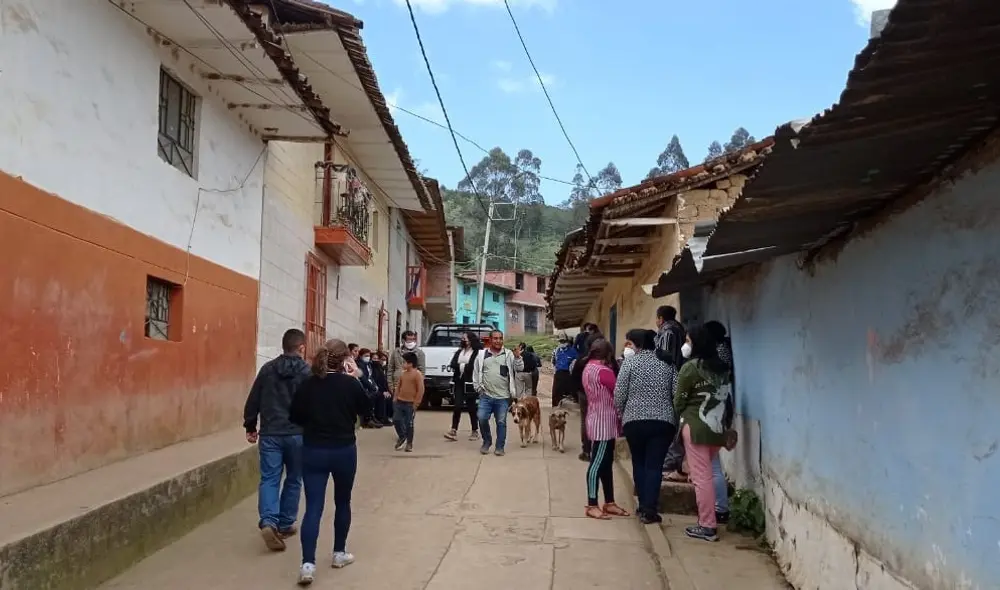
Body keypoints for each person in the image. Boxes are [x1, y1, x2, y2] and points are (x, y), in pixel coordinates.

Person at [290, 339, 371, 584]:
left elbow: (295, 416)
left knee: (313, 506)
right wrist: (358, 376)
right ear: (345, 359)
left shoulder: (308, 384)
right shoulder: (350, 384)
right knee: (342, 501)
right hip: (343, 450)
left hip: (314, 449)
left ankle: (307, 564)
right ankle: (338, 553)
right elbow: (367, 410)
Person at [243, 328, 311, 552]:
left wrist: (250, 426)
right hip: (298, 434)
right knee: (294, 478)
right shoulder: (307, 372)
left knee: (270, 478)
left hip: (271, 433)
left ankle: (268, 521)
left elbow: (254, 399)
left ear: (283, 346)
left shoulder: (268, 369)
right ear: (301, 347)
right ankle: (285, 523)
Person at [673, 325, 734, 542]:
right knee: (713, 471)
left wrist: (681, 416)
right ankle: (720, 510)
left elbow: (679, 400)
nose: (686, 345)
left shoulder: (690, 368)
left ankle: (707, 525)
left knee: (701, 478)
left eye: (688, 341)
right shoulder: (723, 369)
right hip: (716, 427)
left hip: (696, 428)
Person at [615, 329, 677, 524]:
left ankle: (642, 506)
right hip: (662, 422)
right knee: (654, 465)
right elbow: (676, 393)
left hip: (634, 422)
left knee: (639, 463)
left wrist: (624, 413)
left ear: (638, 344)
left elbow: (619, 395)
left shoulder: (630, 363)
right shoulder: (667, 363)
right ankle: (650, 509)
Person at [581, 338, 629, 520]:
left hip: (596, 419)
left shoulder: (588, 368)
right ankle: (592, 504)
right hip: (604, 423)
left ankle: (609, 502)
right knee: (596, 464)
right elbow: (618, 395)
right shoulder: (604, 372)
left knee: (605, 463)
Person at [472, 329, 523, 456]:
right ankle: (487, 441)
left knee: (501, 422)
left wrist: (517, 358)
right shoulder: (482, 355)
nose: (498, 341)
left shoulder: (508, 354)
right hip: (486, 395)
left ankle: (500, 447)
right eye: (495, 338)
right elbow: (476, 372)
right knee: (482, 418)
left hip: (503, 397)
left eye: (500, 338)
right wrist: (478, 388)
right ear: (490, 340)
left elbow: (519, 368)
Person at [703, 320, 735, 524]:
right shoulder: (723, 349)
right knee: (712, 464)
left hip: (713, 410)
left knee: (711, 466)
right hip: (720, 408)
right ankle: (720, 507)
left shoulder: (716, 355)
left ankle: (718, 509)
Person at [656, 306, 689, 482]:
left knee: (671, 421)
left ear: (660, 318)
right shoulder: (681, 329)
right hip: (678, 380)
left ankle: (670, 461)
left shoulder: (667, 332)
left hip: (671, 382)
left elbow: (665, 359)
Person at [572, 325, 605, 462]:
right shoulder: (607, 361)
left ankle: (586, 450)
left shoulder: (581, 360)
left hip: (583, 394)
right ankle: (599, 450)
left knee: (585, 420)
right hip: (601, 394)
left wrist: (577, 393)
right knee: (600, 419)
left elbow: (574, 378)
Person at [445, 332, 482, 442]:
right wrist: (462, 366)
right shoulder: (459, 351)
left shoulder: (476, 352)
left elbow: (473, 366)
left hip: (470, 382)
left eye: (465, 338)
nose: (463, 340)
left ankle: (475, 430)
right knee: (457, 406)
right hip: (459, 382)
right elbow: (452, 364)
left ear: (471, 340)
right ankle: (453, 429)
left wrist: (462, 366)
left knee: (471, 407)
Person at [393, 352, 425, 452]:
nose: (403, 364)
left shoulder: (417, 374)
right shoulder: (403, 374)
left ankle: (409, 443)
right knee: (396, 420)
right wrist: (395, 397)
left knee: (409, 423)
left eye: (404, 362)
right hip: (400, 401)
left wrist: (416, 403)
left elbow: (420, 390)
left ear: (410, 363)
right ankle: (402, 436)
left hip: (410, 404)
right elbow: (398, 386)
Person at [388, 331, 426, 397]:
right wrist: (390, 386)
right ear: (403, 341)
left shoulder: (419, 353)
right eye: (409, 339)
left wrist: (418, 387)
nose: (412, 342)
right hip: (397, 386)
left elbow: (422, 371)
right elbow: (390, 369)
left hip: (411, 387)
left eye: (413, 339)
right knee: (396, 406)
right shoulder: (396, 352)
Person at [550, 335, 578, 407]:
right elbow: (553, 361)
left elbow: (577, 361)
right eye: (560, 341)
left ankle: (566, 408)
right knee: (556, 392)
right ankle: (555, 407)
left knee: (568, 393)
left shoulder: (573, 351)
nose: (562, 343)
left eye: (563, 341)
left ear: (567, 342)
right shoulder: (556, 351)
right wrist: (554, 369)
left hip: (568, 374)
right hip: (558, 373)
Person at [370, 351, 393, 427]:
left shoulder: (380, 368)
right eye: (374, 358)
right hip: (375, 389)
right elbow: (375, 381)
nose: (383, 361)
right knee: (382, 397)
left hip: (381, 389)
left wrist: (386, 390)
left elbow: (383, 381)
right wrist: (382, 391)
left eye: (385, 359)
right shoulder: (372, 368)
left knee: (390, 396)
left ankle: (388, 416)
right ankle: (381, 418)